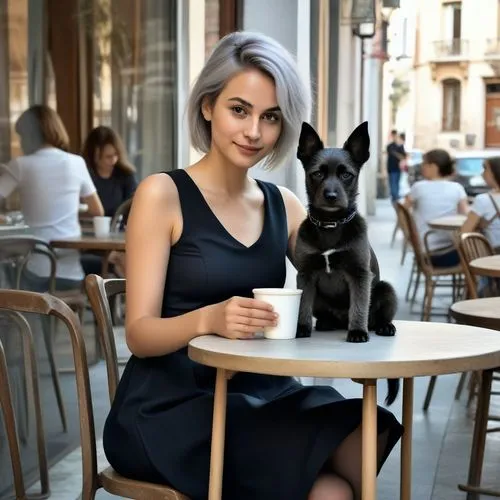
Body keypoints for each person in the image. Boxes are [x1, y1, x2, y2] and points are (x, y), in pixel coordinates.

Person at [103, 32, 402, 500]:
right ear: (207, 106)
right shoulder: (162, 195)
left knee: (367, 434)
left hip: (264, 391)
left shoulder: (281, 204)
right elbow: (139, 334)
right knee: (331, 492)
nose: (254, 132)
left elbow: (359, 269)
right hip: (175, 407)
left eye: (271, 117)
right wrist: (209, 318)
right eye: (239, 109)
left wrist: (337, 194)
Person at [0, 105, 104, 290]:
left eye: (22, 136)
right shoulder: (76, 162)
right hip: (72, 275)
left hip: (36, 274)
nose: (21, 142)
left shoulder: (21, 165)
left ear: (30, 136)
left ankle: (23, 318)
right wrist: (66, 214)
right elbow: (97, 210)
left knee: (8, 271)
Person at [81, 125, 137, 276]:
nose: (113, 160)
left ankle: (130, 297)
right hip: (86, 242)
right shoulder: (84, 176)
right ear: (94, 155)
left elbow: (133, 209)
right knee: (119, 259)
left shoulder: (125, 175)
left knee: (122, 258)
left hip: (116, 240)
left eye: (115, 155)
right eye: (107, 156)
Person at [404, 149, 469, 267]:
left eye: (424, 163)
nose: (422, 166)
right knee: (477, 254)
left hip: (423, 252)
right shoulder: (457, 188)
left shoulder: (418, 187)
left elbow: (403, 211)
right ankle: (480, 285)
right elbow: (466, 218)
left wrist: (409, 236)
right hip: (446, 253)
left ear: (434, 167)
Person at [461, 157, 500, 252]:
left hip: (493, 257)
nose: (482, 173)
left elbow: (465, 232)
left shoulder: (483, 199)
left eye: (485, 169)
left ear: (495, 172)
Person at [386, 129, 404, 202]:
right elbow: (391, 153)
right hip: (391, 167)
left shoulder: (400, 145)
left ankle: (395, 196)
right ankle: (395, 197)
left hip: (398, 167)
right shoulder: (389, 146)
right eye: (393, 135)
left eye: (396, 135)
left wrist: (396, 154)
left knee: (396, 183)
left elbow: (403, 156)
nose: (394, 137)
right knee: (393, 183)